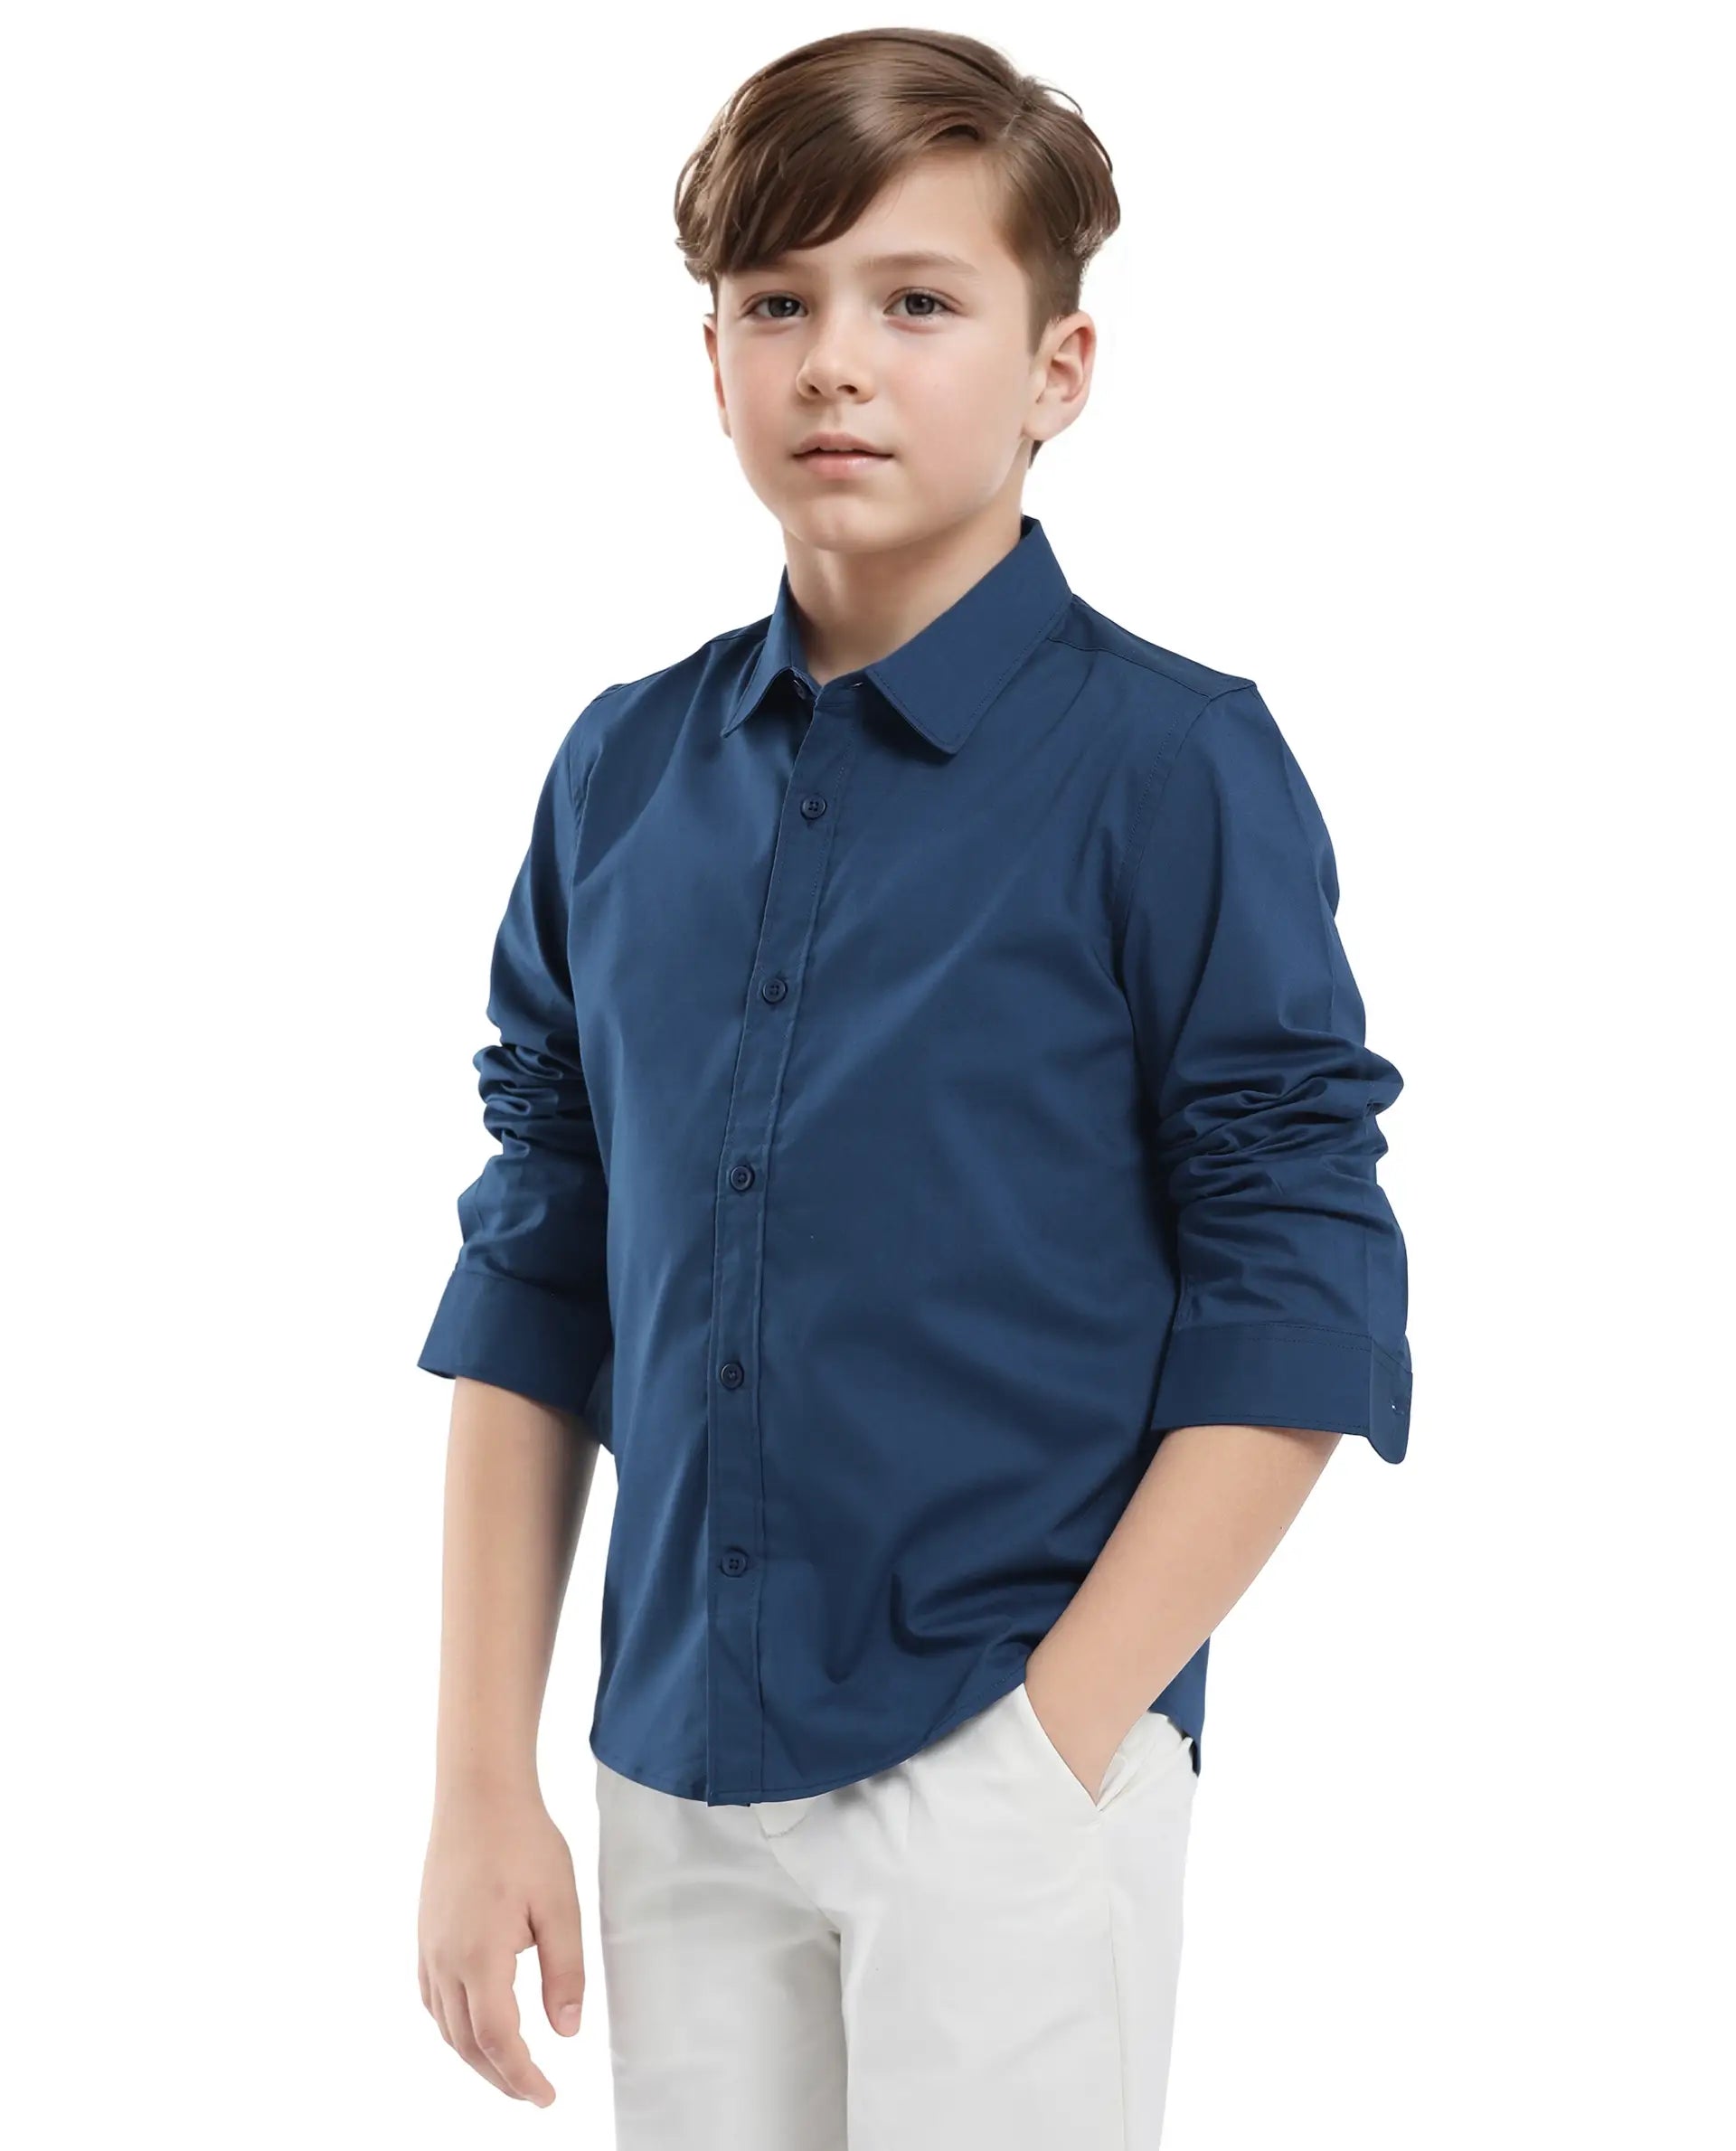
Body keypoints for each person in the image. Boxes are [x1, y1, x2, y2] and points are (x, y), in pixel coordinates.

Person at [414, 27, 1412, 2150]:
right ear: (709, 357)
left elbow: (1302, 1276)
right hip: (676, 1761)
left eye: (919, 300)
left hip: (1005, 1744)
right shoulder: (619, 773)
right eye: (778, 302)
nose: (838, 364)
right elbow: (538, 1264)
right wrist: (482, 1776)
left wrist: (1057, 1730)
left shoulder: (1172, 765)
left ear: (1061, 369)